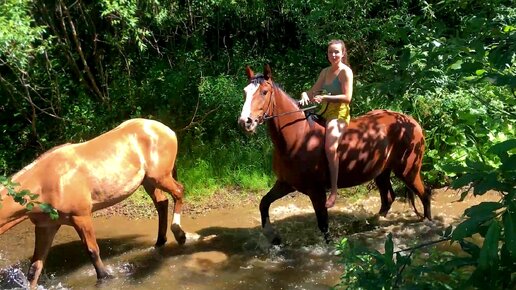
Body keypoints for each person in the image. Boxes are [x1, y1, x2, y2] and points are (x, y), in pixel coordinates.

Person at [299, 39, 353, 208]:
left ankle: (334, 191)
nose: (334, 55)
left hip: (339, 113)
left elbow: (347, 98)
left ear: (343, 53)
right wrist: (304, 94)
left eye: (337, 52)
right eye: (331, 52)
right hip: (323, 111)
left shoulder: (346, 72)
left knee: (330, 148)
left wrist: (325, 97)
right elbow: (312, 91)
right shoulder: (325, 71)